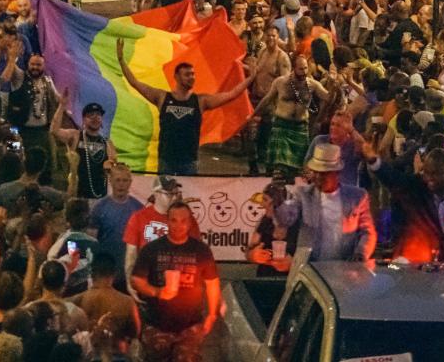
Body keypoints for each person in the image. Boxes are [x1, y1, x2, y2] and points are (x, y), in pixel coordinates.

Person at [115, 39, 253, 175]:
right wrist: (121, 60)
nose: (192, 77)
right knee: (165, 195)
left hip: (189, 162)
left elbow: (232, 94)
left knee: (188, 197)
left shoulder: (201, 100)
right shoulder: (162, 97)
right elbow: (135, 83)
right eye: (187, 74)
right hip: (166, 161)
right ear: (176, 76)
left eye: (193, 74)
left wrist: (251, 77)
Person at [128, 200, 220, 362]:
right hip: (157, 325)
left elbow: (212, 282)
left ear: (190, 222)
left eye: (183, 221)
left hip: (190, 327)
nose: (178, 225)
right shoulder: (152, 249)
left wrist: (212, 314)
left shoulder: (201, 250)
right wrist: (156, 291)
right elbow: (136, 279)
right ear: (167, 221)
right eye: (174, 220)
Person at [273, 142, 375, 262]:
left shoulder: (357, 197)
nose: (318, 177)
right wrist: (278, 200)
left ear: (337, 173)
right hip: (309, 269)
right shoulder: (303, 194)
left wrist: (361, 253)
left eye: (324, 173)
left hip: (344, 270)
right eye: (315, 172)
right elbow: (286, 218)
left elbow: (367, 232)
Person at [254, 54, 328, 174]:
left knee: (298, 168)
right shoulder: (280, 82)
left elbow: (328, 97)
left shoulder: (313, 85)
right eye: (301, 69)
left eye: (305, 68)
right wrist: (253, 114)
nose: (304, 71)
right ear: (294, 68)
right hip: (281, 126)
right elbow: (267, 99)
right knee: (279, 166)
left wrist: (336, 86)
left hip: (300, 128)